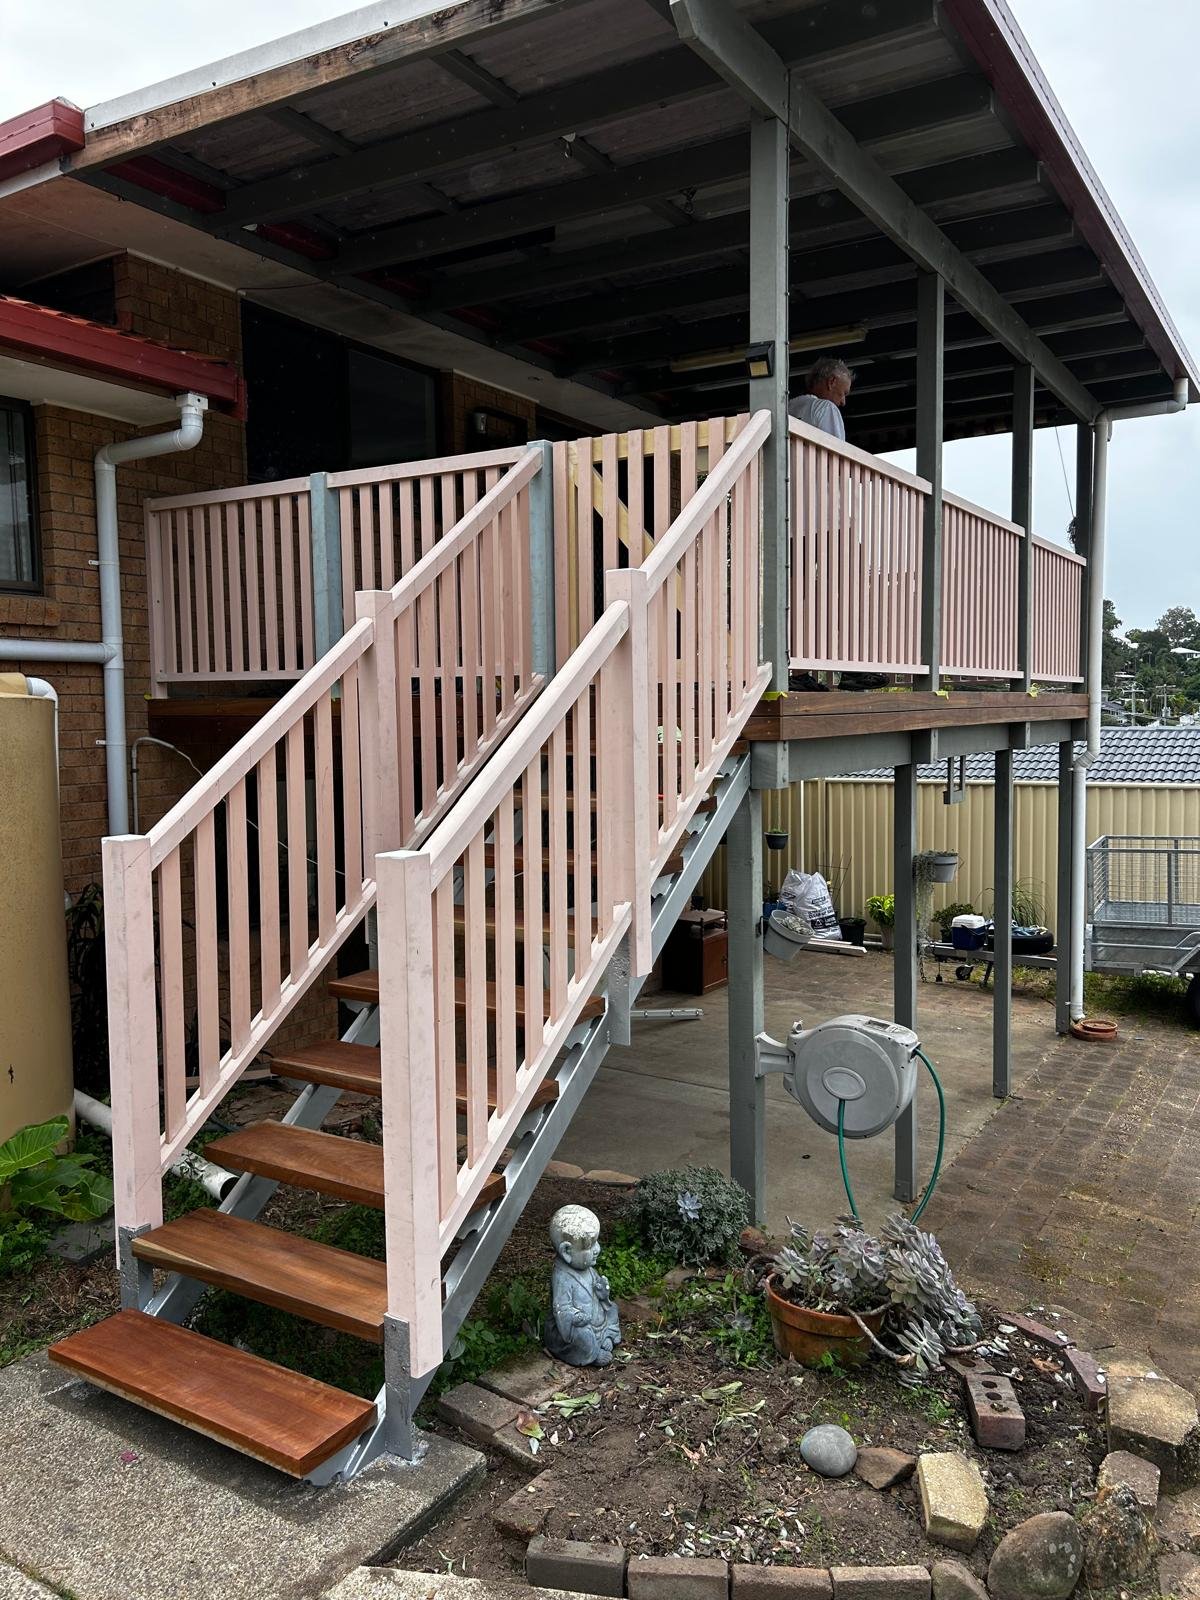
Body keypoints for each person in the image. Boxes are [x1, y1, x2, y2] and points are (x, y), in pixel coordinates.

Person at [790, 357, 852, 440]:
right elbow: (834, 446)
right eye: (844, 393)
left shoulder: (788, 406)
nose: (843, 402)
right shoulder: (826, 407)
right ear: (831, 382)